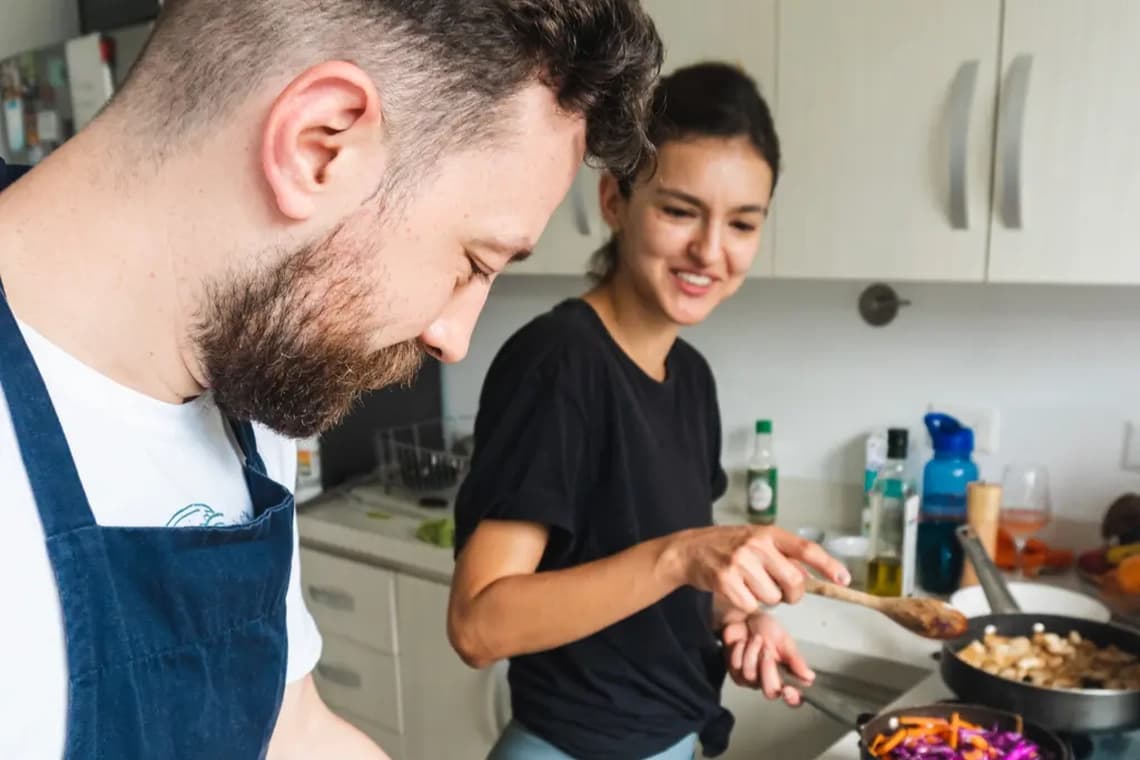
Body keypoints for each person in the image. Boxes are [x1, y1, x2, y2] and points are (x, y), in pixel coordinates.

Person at [0, 1, 662, 758]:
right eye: (473, 263)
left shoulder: (244, 371)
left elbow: (289, 727)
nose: (452, 338)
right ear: (319, 146)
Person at [448, 62, 851, 760]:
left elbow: (662, 580)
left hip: (674, 739)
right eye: (679, 210)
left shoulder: (689, 377)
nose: (710, 251)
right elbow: (479, 626)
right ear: (614, 199)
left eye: (742, 223)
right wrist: (682, 557)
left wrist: (735, 615)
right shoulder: (559, 363)